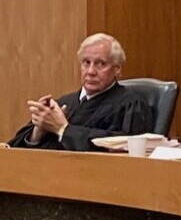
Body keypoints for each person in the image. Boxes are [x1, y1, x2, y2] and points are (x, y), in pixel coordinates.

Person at [9, 33, 153, 150]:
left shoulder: (131, 104)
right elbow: (15, 148)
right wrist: (39, 130)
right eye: (86, 62)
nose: (91, 71)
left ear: (117, 69)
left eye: (100, 64)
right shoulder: (63, 103)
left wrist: (63, 130)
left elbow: (125, 147)